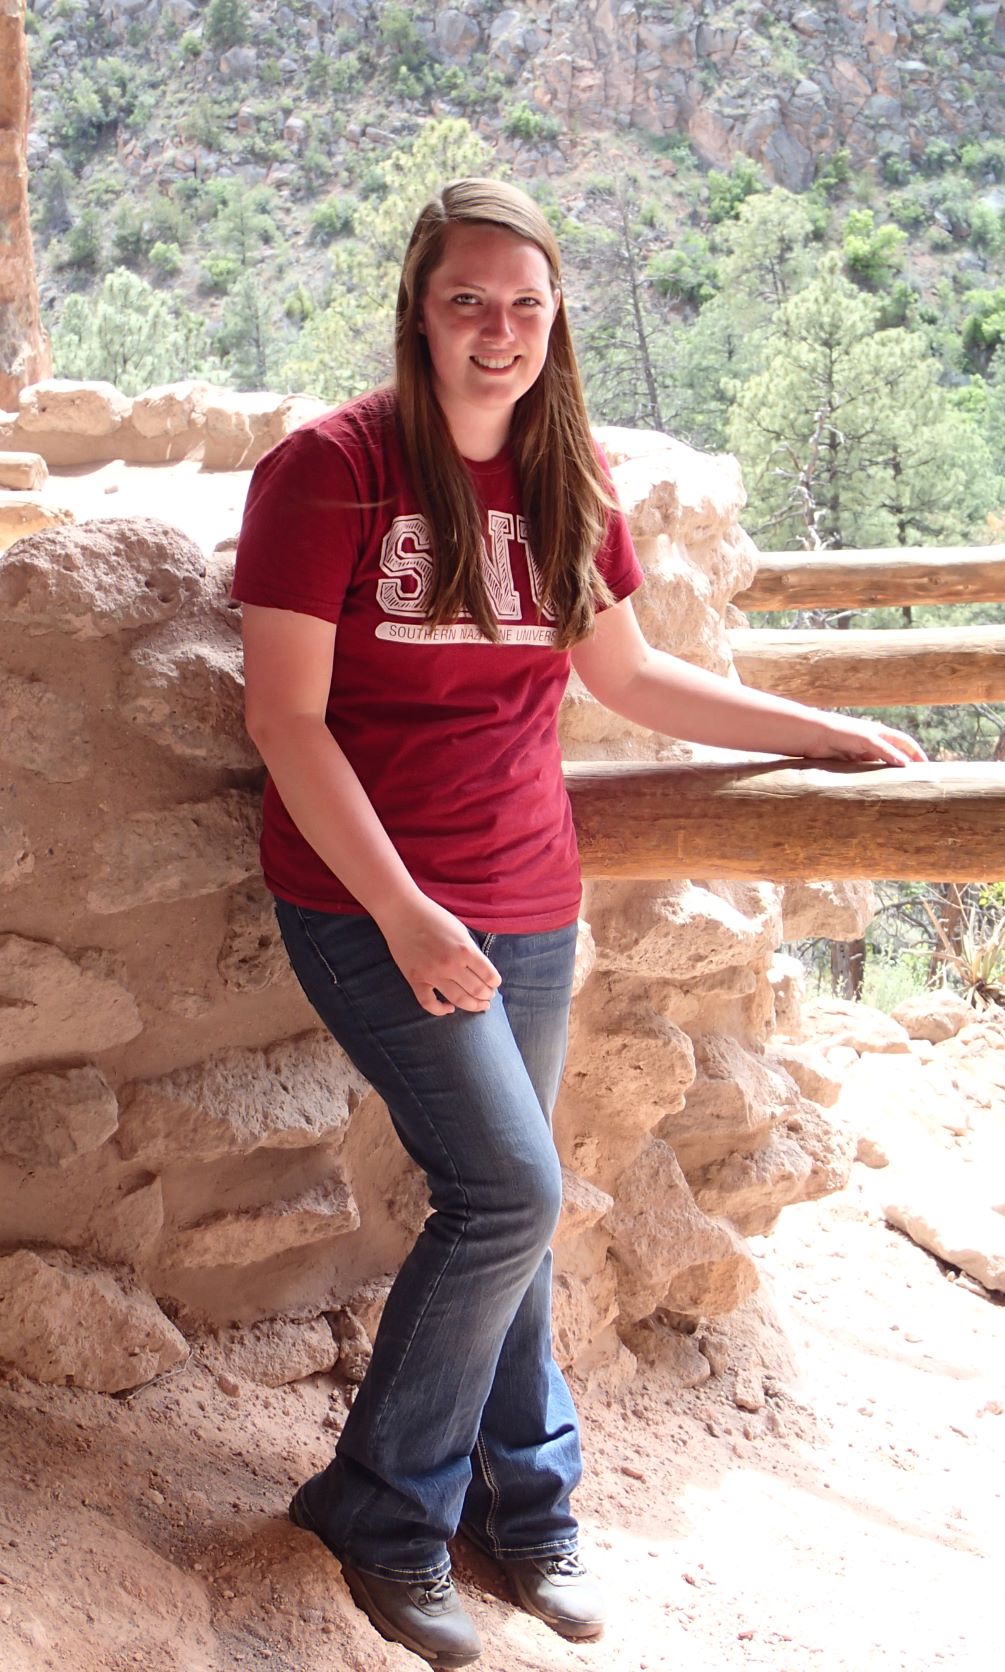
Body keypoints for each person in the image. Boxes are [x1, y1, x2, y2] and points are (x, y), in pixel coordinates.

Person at [231, 176, 925, 1670]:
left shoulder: (565, 474)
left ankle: (522, 1503)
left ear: (556, 322)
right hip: (367, 897)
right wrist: (406, 913)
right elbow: (287, 723)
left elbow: (630, 682)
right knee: (508, 1199)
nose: (498, 332)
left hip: (528, 894)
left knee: (518, 1200)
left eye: (526, 306)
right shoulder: (329, 474)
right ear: (420, 309)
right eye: (468, 302)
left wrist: (811, 730)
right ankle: (383, 1510)